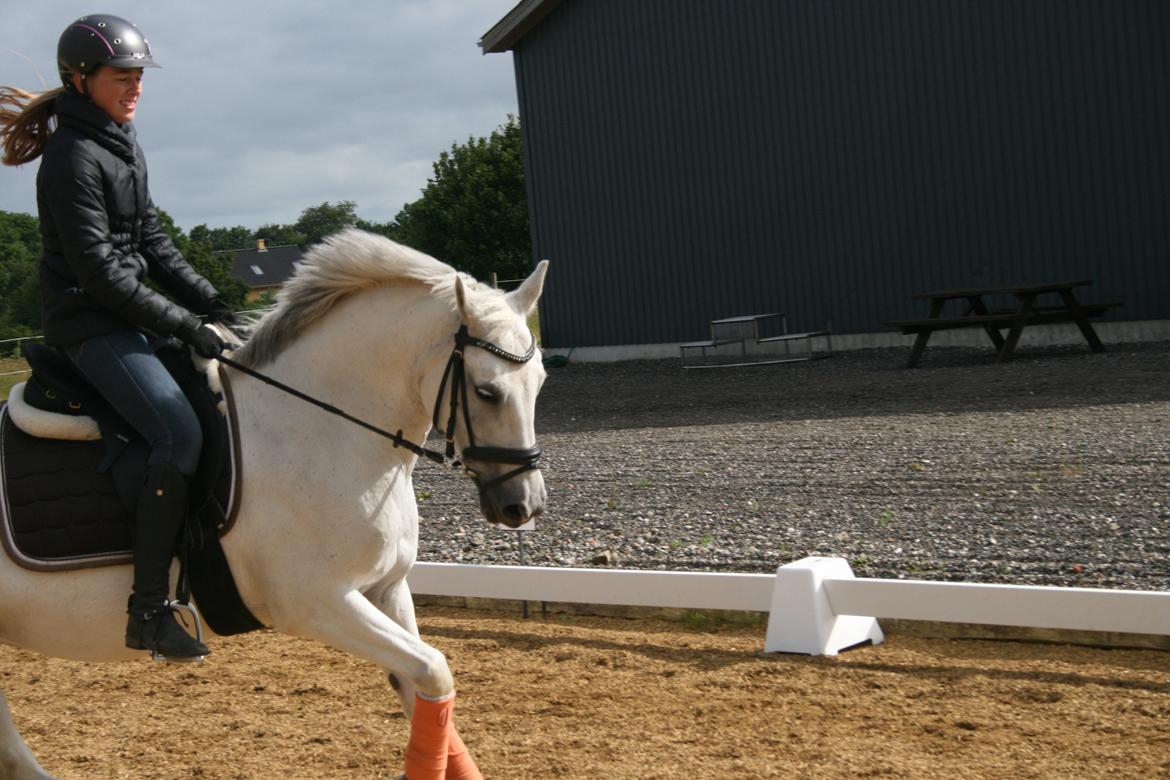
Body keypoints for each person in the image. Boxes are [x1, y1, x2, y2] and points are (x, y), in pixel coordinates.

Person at [0, 14, 237, 659]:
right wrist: (186, 325)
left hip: (131, 317)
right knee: (176, 432)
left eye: (138, 77)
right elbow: (102, 273)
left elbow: (152, 242)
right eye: (120, 76)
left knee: (223, 399)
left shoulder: (121, 141)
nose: (134, 87)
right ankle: (149, 609)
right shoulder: (71, 158)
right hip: (90, 325)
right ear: (80, 80)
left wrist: (214, 303)